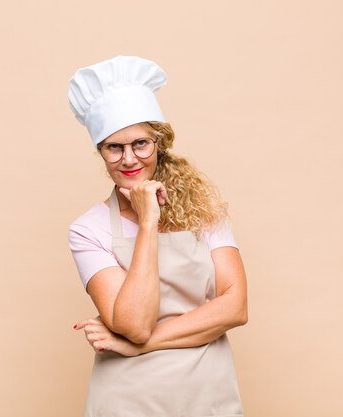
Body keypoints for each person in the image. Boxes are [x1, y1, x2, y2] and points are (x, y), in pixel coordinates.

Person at [66, 55, 249, 417]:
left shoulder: (204, 212)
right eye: (113, 147)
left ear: (158, 143)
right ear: (101, 153)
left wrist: (142, 347)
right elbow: (133, 323)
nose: (129, 159)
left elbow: (236, 307)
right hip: (127, 398)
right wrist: (149, 221)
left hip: (206, 390)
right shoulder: (87, 229)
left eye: (140, 144)